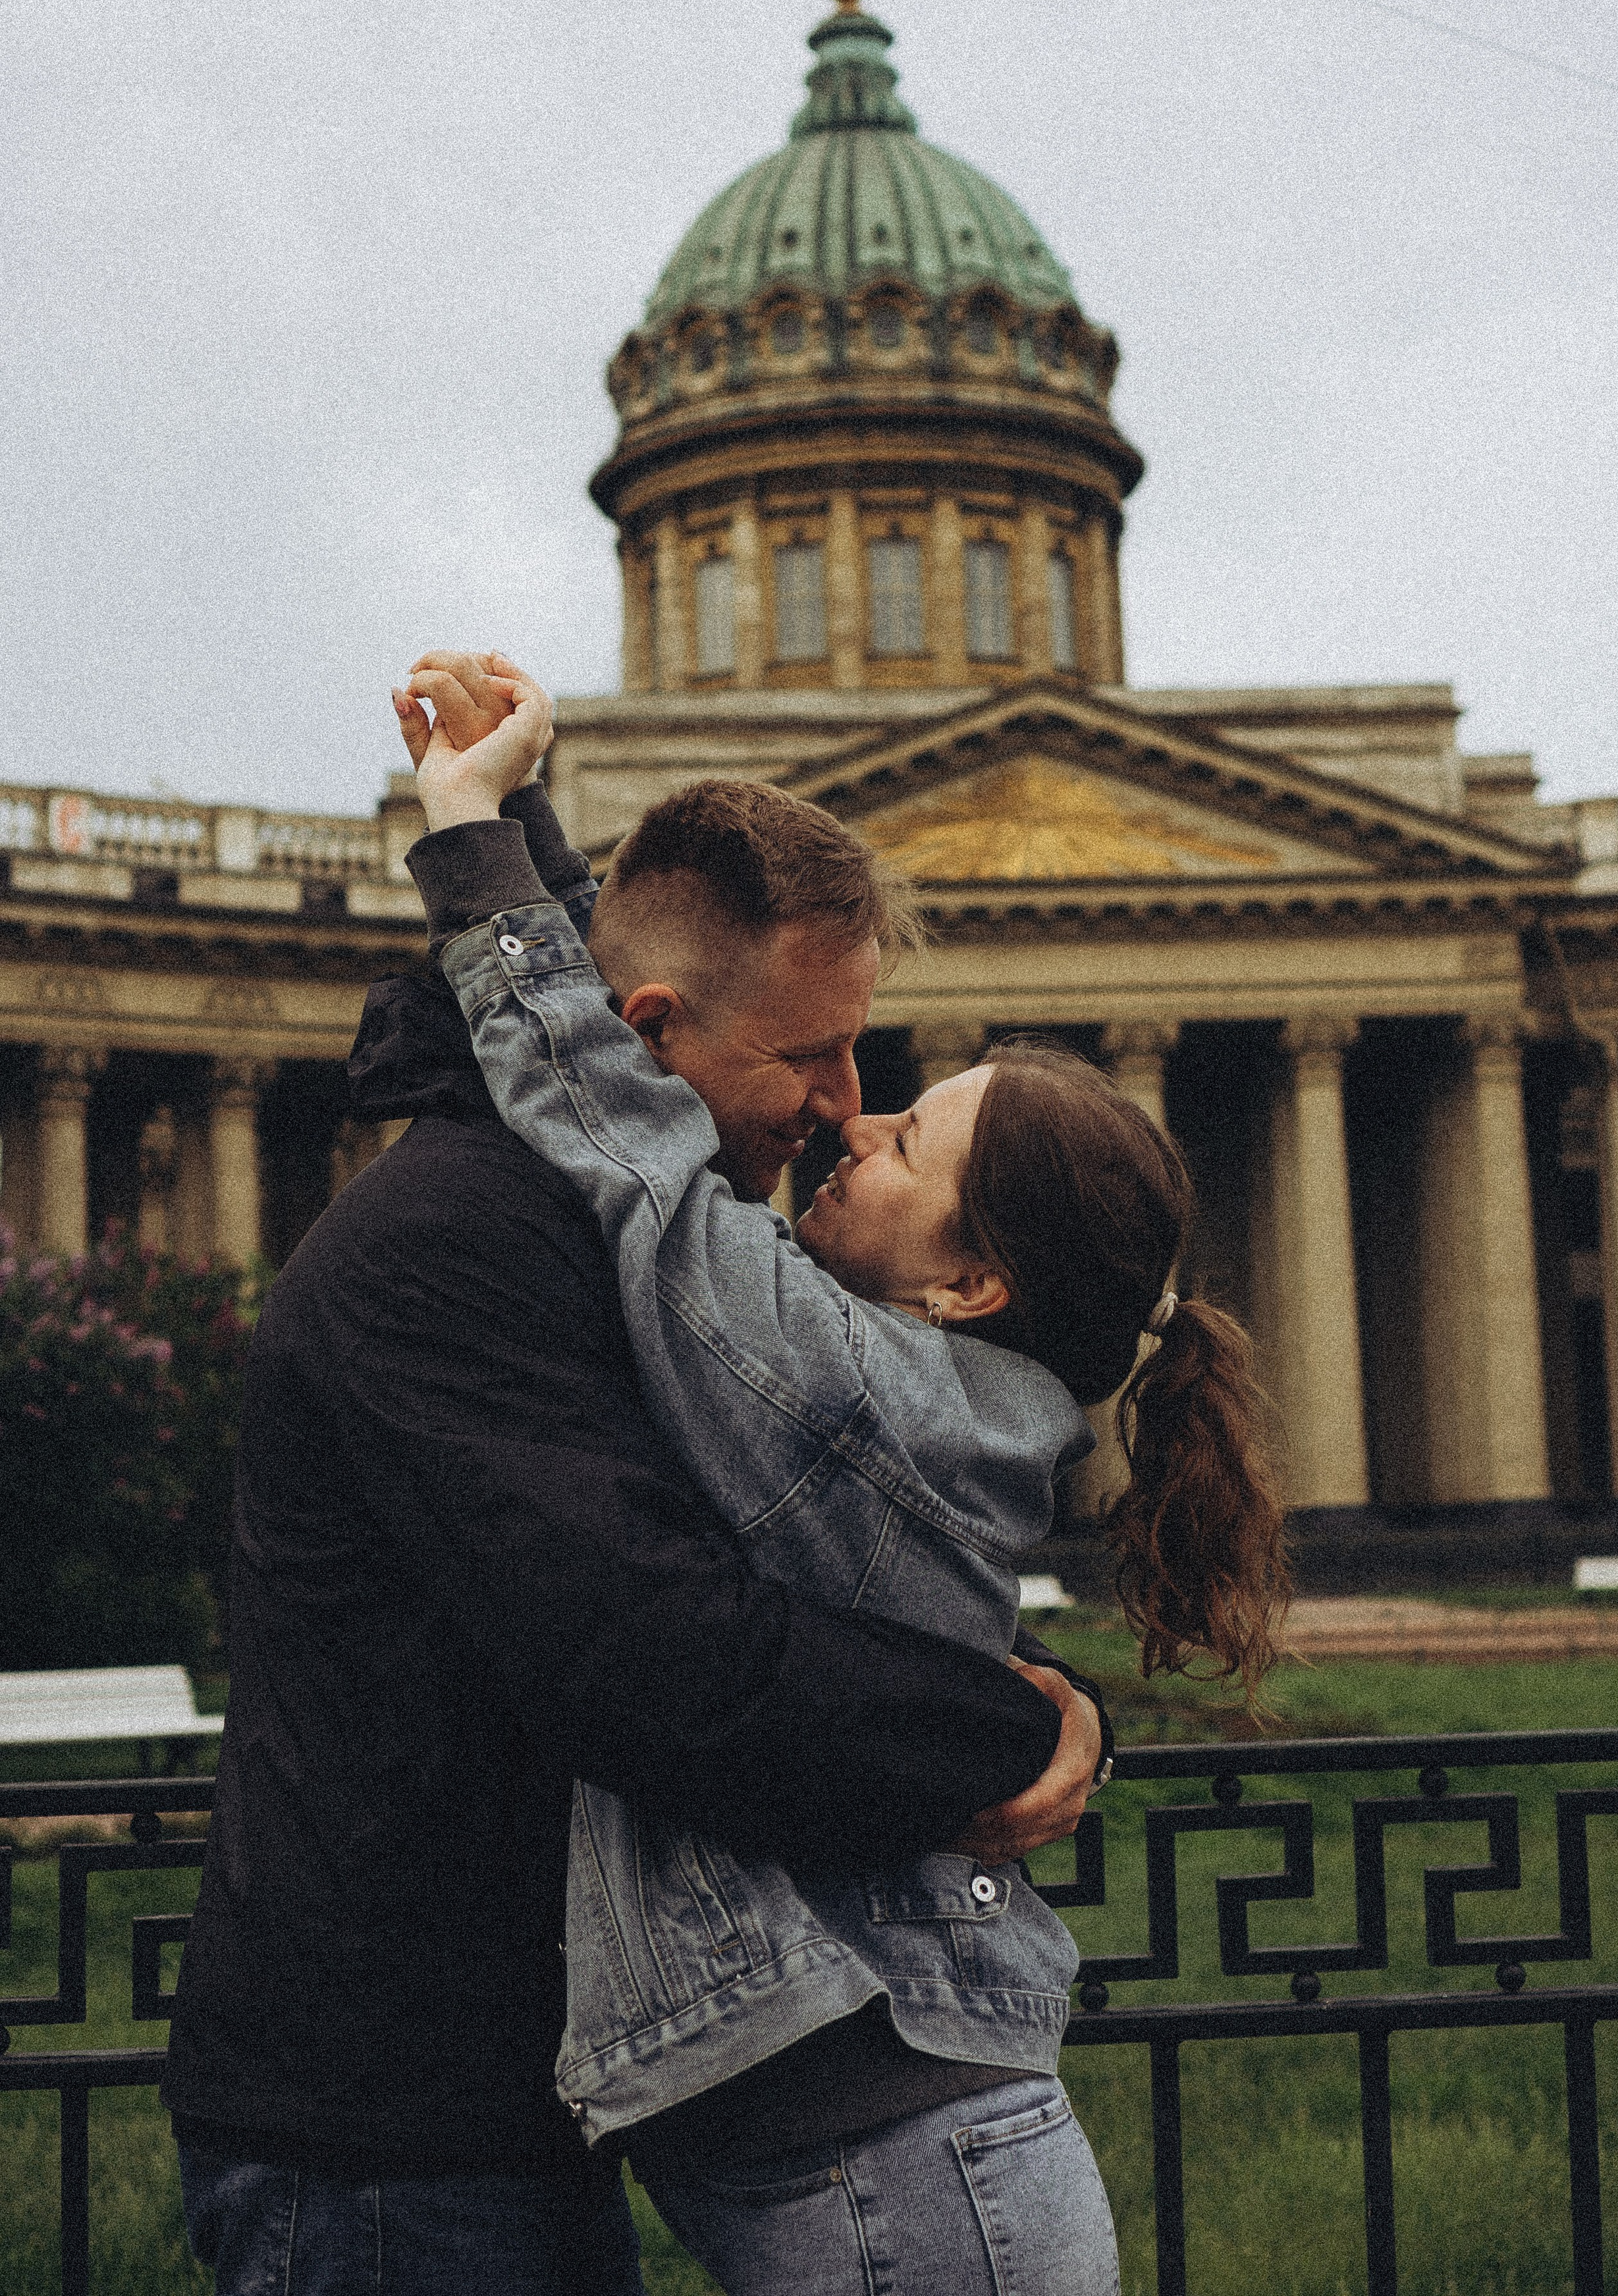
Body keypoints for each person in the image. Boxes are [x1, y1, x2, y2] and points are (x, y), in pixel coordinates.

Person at [162, 667, 1110, 2296]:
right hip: (384, 2129)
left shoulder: (628, 1244)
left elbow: (831, 1555)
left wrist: (1048, 1698)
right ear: (651, 1038)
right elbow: (660, 1656)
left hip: (500, 2096)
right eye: (811, 1057)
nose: (841, 1106)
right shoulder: (454, 1249)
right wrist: (1016, 1726)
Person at [396, 656, 1289, 2296]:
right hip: (908, 2142)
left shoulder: (844, 1382)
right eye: (853, 1081)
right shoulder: (940, 1390)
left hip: (906, 2161)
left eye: (909, 1141)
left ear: (967, 1285)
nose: (851, 1121)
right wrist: (541, 828)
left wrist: (472, 844)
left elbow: (629, 1133)